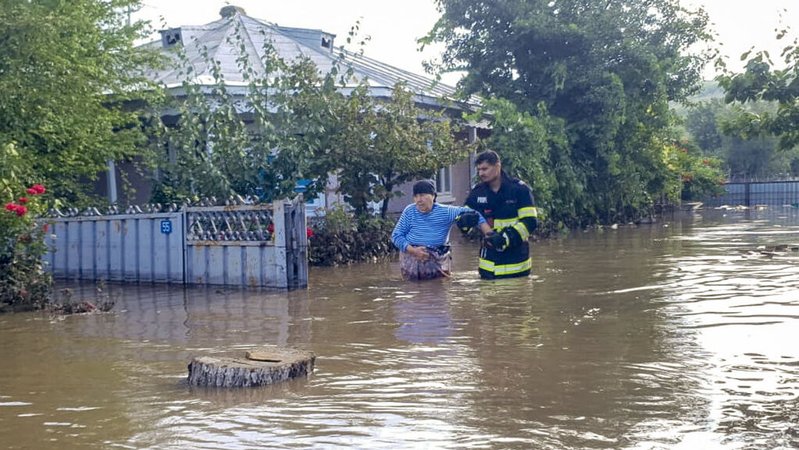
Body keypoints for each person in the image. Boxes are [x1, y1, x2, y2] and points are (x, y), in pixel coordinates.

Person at [392, 179, 491, 280]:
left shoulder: (446, 212)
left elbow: (476, 215)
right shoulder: (409, 211)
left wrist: (489, 234)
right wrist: (413, 251)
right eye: (416, 196)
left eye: (422, 195)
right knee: (413, 288)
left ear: (433, 196)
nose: (419, 200)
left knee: (439, 288)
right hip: (411, 259)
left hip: (438, 260)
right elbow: (396, 236)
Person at [462, 150, 539, 279]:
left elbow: (530, 222)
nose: (481, 173)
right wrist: (464, 222)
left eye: (485, 169)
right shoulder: (477, 193)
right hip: (488, 270)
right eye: (479, 170)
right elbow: (464, 226)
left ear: (497, 166)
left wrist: (506, 237)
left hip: (517, 268)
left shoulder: (519, 190)